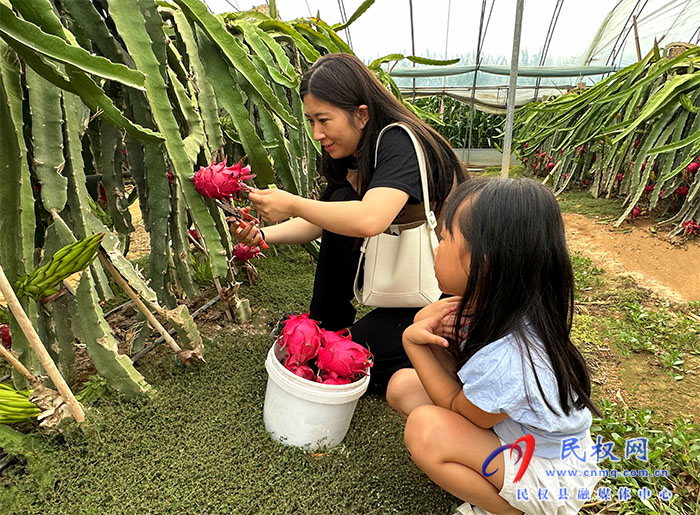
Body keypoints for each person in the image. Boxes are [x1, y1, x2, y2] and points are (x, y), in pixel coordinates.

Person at [233, 53, 466, 393]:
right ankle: (325, 325)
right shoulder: (351, 153)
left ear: (360, 115)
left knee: (347, 360)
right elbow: (322, 220)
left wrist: (293, 202)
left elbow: (370, 219)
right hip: (412, 289)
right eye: (311, 121)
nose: (317, 133)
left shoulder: (398, 142)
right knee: (329, 350)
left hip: (452, 290)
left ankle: (458, 350)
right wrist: (262, 235)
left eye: (323, 120)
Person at [386, 177, 601, 514]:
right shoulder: (499, 307)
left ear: (481, 265)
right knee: (402, 386)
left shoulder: (512, 356)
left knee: (426, 430)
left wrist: (412, 343)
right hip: (516, 436)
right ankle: (482, 477)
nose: (436, 248)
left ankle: (510, 511)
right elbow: (461, 381)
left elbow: (458, 407)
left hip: (553, 476)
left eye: (443, 238)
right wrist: (424, 328)